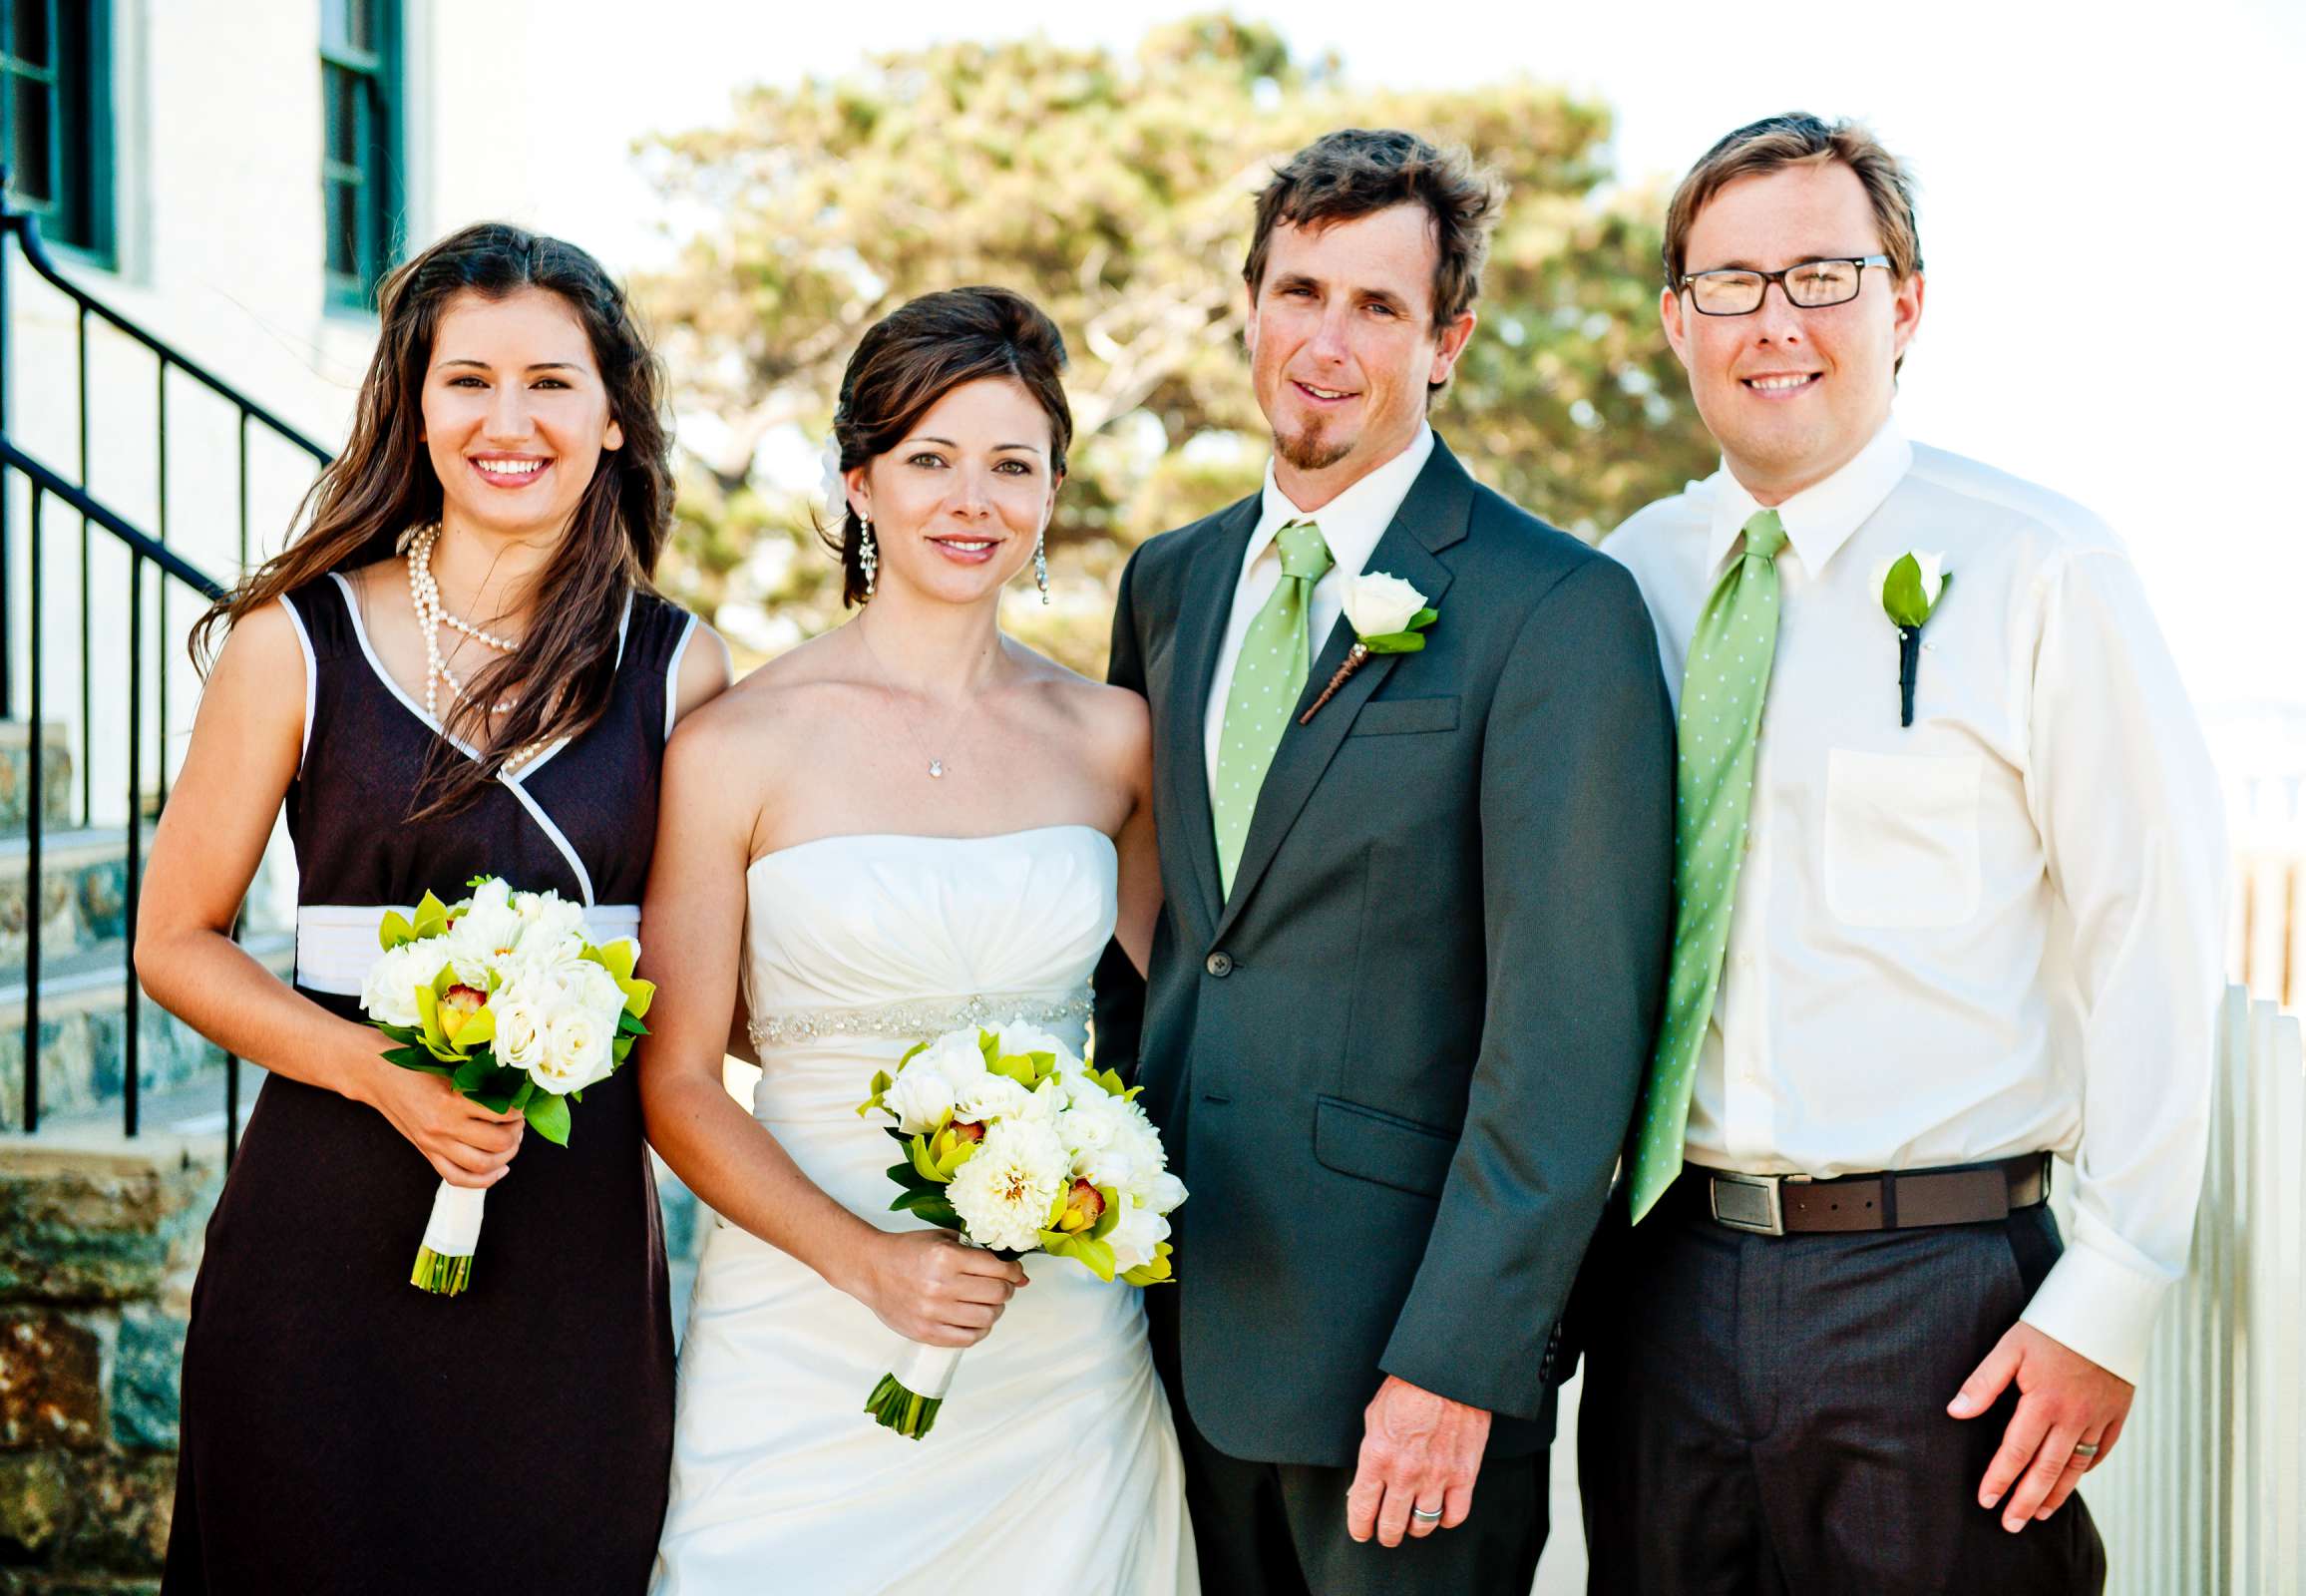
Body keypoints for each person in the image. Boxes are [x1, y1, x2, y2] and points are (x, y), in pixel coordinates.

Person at [1584, 112, 2229, 1593]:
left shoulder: (2040, 566)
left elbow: (2157, 922)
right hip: (1668, 1280)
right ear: (1679, 322)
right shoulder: (1629, 582)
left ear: (1907, 301)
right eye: (1732, 285)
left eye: (1823, 273)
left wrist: (2110, 1297)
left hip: (1942, 1291)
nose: (1777, 324)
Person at [1096, 127, 1676, 1593]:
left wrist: (1460, 1366)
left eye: (1379, 307)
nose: (1326, 342)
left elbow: (1568, 1036)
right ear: (1250, 305)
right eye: (1300, 292)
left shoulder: (1557, 609)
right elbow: (1172, 944)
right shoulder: (1167, 584)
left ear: (1449, 344)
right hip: (1165, 1330)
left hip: (1399, 1377)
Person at [138, 222, 730, 1593]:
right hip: (327, 1212)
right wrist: (376, 1073)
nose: (506, 421)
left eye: (550, 383)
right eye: (467, 380)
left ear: (617, 422)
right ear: (414, 406)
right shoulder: (294, 641)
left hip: (569, 1226)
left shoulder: (682, 670)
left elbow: (715, 984)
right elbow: (173, 939)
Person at [641, 285, 1192, 1594]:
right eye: (930, 460)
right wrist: (870, 1263)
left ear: (1053, 492)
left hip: (1055, 1342)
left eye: (1013, 465)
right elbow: (674, 1082)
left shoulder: (1114, 741)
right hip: (800, 1322)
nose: (973, 500)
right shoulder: (737, 743)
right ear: (859, 482)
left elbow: (1197, 1003)